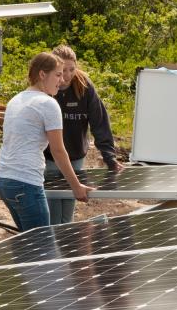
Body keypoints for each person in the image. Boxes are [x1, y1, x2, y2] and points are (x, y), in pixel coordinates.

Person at [0, 52, 93, 232]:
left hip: (3, 181)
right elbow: (58, 151)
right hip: (25, 183)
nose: (62, 80)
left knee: (29, 244)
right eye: (57, 74)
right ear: (42, 74)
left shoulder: (16, 100)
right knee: (43, 248)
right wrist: (76, 186)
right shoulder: (48, 103)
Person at [44, 45, 123, 225]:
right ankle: (55, 242)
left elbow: (100, 122)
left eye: (72, 69)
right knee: (55, 205)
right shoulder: (46, 88)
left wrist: (109, 156)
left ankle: (66, 242)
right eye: (63, 70)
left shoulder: (84, 86)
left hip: (76, 154)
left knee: (71, 200)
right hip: (51, 156)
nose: (68, 74)